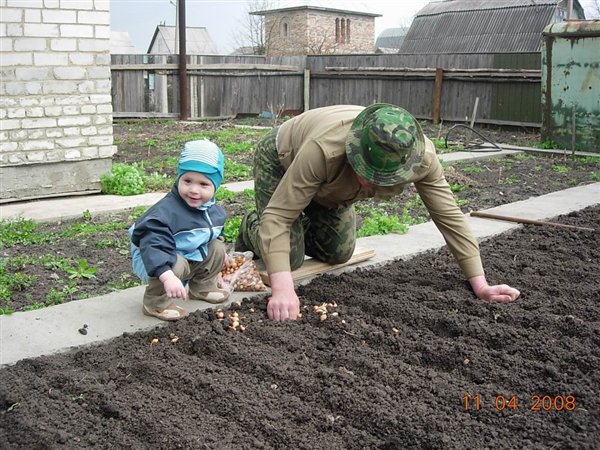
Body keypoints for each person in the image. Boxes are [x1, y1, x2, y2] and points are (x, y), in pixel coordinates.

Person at [236, 103, 521, 322]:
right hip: (283, 157)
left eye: (380, 178)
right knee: (290, 258)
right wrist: (283, 289)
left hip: (330, 187)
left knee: (339, 251)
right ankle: (251, 224)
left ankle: (295, 224)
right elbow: (278, 217)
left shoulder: (421, 158)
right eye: (366, 172)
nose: (369, 183)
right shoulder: (325, 149)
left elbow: (449, 217)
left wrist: (481, 283)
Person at [129, 139, 230, 321]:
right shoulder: (165, 213)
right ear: (179, 178)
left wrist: (223, 256)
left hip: (185, 256)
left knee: (217, 248)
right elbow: (153, 246)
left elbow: (212, 233)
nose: (193, 190)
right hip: (155, 261)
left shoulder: (212, 210)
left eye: (203, 184)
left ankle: (202, 287)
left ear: (216, 186)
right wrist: (167, 277)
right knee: (177, 263)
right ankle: (155, 303)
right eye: (187, 181)